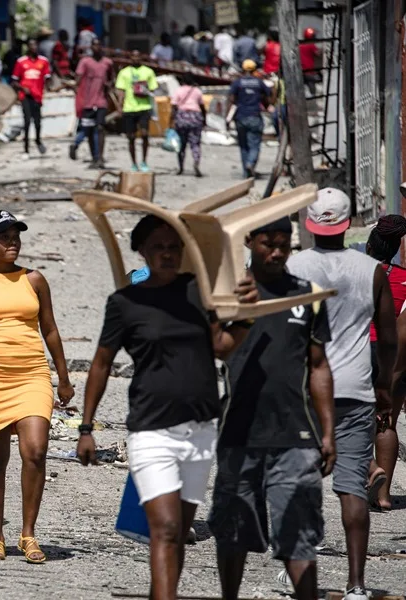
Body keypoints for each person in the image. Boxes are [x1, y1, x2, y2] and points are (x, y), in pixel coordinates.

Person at [76, 214, 257, 600]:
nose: (167, 253)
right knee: (166, 529)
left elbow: (221, 347)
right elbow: (102, 364)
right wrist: (86, 428)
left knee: (177, 535)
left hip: (200, 432)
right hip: (151, 430)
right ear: (141, 250)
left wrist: (246, 315)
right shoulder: (125, 302)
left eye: (174, 246)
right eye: (158, 246)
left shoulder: (198, 292)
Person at [209, 217, 335, 600]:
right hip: (238, 433)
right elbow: (213, 347)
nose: (277, 252)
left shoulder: (307, 296)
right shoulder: (228, 294)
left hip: (295, 435)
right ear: (250, 241)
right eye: (269, 244)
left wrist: (328, 432)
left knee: (298, 535)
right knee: (232, 532)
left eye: (284, 244)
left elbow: (318, 366)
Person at [286, 188, 397, 600]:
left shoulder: (294, 266)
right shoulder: (372, 271)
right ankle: (356, 585)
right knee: (352, 488)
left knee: (302, 483)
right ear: (348, 224)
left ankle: (302, 573)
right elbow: (388, 339)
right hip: (355, 388)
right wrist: (383, 387)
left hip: (303, 390)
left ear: (310, 223)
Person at [0, 210, 74, 563]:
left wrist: (64, 377)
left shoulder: (34, 279)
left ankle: (28, 535)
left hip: (31, 374)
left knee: (36, 451)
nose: (13, 243)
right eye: (5, 237)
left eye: (16, 236)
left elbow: (50, 329)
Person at [364, 215, 406, 511]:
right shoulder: (404, 278)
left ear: (369, 245)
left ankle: (368, 471)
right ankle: (384, 496)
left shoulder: (359, 274)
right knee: (387, 420)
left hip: (362, 349)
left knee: (352, 418)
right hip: (397, 356)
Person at [69, 38, 113, 168]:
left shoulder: (107, 63)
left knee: (100, 128)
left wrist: (108, 85)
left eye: (99, 45)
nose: (97, 48)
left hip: (101, 101)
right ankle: (94, 157)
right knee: (88, 130)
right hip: (87, 102)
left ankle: (100, 158)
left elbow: (112, 78)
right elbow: (77, 80)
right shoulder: (85, 62)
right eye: (94, 45)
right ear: (91, 47)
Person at [115, 50, 157, 172]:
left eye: (138, 56)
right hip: (129, 108)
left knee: (144, 134)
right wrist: (119, 106)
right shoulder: (124, 72)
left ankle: (144, 161)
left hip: (144, 107)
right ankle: (134, 163)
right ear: (130, 58)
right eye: (133, 56)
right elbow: (121, 90)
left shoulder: (148, 71)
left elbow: (153, 88)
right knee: (131, 137)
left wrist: (143, 89)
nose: (136, 59)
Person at [226, 59, 270, 178]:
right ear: (254, 70)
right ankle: (250, 163)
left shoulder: (237, 83)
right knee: (254, 145)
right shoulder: (259, 82)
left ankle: (246, 172)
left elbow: (231, 100)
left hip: (240, 117)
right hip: (255, 116)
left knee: (243, 146)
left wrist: (227, 118)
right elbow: (267, 96)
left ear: (243, 69)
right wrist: (266, 106)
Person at [12, 39, 51, 159]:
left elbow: (47, 77)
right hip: (25, 96)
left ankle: (38, 140)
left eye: (35, 45)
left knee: (38, 122)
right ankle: (26, 149)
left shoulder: (43, 61)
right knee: (27, 121)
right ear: (28, 47)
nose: (34, 47)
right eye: (31, 45)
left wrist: (47, 88)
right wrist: (22, 88)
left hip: (37, 96)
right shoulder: (21, 62)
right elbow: (14, 81)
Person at [170, 73, 206, 177]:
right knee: (195, 143)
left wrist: (171, 121)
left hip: (182, 117)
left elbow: (174, 107)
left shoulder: (178, 90)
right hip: (195, 117)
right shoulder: (197, 91)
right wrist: (204, 120)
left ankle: (181, 167)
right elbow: (202, 107)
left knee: (181, 144)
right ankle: (196, 162)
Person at [300, 28, 322, 96]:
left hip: (301, 69)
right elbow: (318, 54)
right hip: (309, 70)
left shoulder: (300, 45)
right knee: (312, 86)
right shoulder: (311, 45)